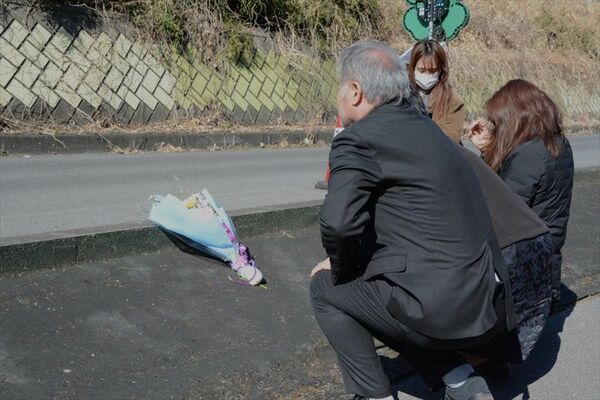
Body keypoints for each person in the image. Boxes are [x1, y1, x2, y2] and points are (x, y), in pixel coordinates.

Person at [309, 40, 519, 400]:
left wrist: (340, 266)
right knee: (390, 293)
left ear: (355, 92)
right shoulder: (431, 130)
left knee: (327, 288)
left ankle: (373, 395)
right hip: (488, 301)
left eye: (341, 87)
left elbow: (338, 224)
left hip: (439, 308)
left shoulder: (358, 139)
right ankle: (460, 380)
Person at [468, 79, 574, 309]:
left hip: (525, 261)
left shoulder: (529, 155)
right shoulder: (556, 143)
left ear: (514, 118)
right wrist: (489, 149)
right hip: (546, 251)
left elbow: (502, 208)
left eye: (498, 122)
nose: (497, 128)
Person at [459, 147, 554, 361]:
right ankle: (500, 359)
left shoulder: (527, 155)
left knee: (497, 311)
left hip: (506, 246)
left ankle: (485, 362)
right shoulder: (461, 154)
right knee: (520, 314)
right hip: (536, 235)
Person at [407, 39, 465, 143]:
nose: (427, 75)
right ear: (413, 68)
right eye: (421, 70)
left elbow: (451, 137)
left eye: (433, 71)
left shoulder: (451, 98)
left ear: (441, 70)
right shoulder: (401, 93)